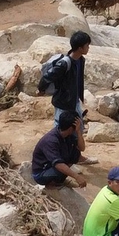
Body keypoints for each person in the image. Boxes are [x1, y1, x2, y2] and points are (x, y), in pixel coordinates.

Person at [38, 31, 93, 163]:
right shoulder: (65, 63)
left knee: (77, 128)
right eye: (87, 45)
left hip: (73, 102)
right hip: (63, 103)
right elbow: (47, 77)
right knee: (62, 131)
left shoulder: (80, 60)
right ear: (80, 48)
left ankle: (77, 157)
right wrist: (41, 89)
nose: (88, 48)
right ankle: (58, 159)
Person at [30, 117, 87, 188]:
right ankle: (52, 184)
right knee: (60, 169)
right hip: (41, 173)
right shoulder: (51, 140)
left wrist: (79, 133)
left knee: (75, 153)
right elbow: (58, 164)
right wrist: (77, 176)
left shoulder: (68, 136)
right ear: (70, 129)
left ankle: (59, 181)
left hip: (51, 166)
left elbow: (82, 148)